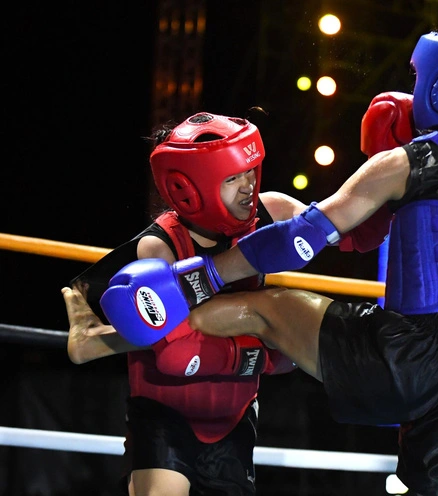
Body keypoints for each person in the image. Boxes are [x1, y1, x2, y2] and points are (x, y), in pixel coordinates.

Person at [99, 31, 438, 496]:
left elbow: (300, 240)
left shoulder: (406, 163)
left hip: (405, 356)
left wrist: (208, 274)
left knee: (267, 307)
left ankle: (162, 319)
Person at [62, 111, 304, 496]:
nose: (248, 187)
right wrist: (267, 351)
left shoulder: (272, 210)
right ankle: (97, 339)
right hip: (164, 409)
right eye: (232, 178)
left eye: (250, 172)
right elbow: (177, 344)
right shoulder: (159, 245)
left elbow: (335, 222)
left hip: (234, 412)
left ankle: (99, 340)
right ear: (192, 188)